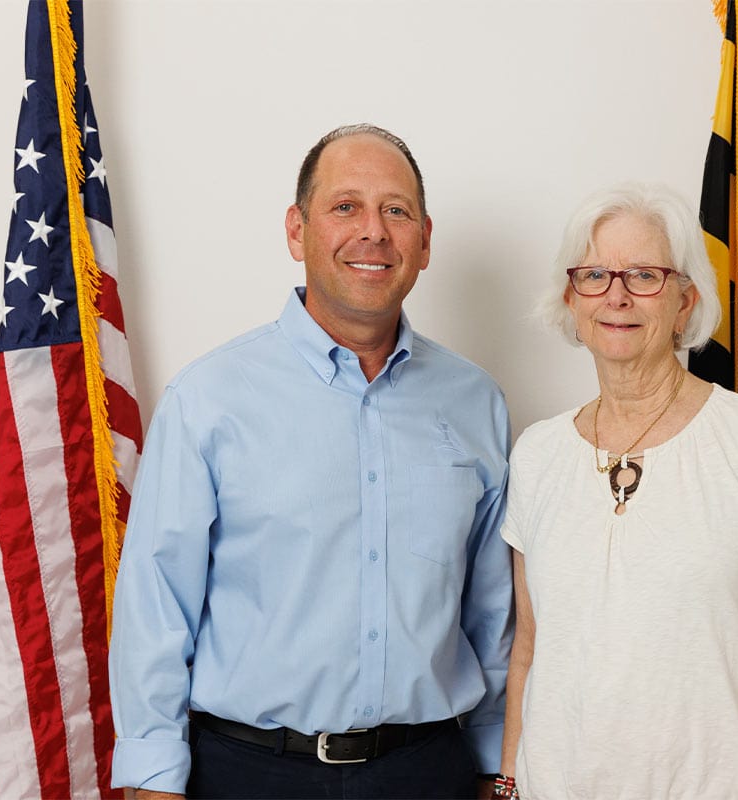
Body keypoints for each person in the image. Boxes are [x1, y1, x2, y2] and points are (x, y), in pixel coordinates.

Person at [109, 124, 514, 800]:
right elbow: (157, 603)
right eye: (346, 206)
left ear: (425, 240)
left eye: (396, 210)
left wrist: (492, 763)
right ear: (297, 231)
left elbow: (492, 610)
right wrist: (153, 779)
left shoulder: (475, 403)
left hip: (427, 773)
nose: (374, 232)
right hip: (248, 773)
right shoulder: (209, 399)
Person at [495, 184, 738, 799]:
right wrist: (509, 785)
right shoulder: (537, 454)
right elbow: (530, 649)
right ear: (572, 299)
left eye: (645, 275)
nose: (617, 295)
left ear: (685, 303)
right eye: (595, 274)